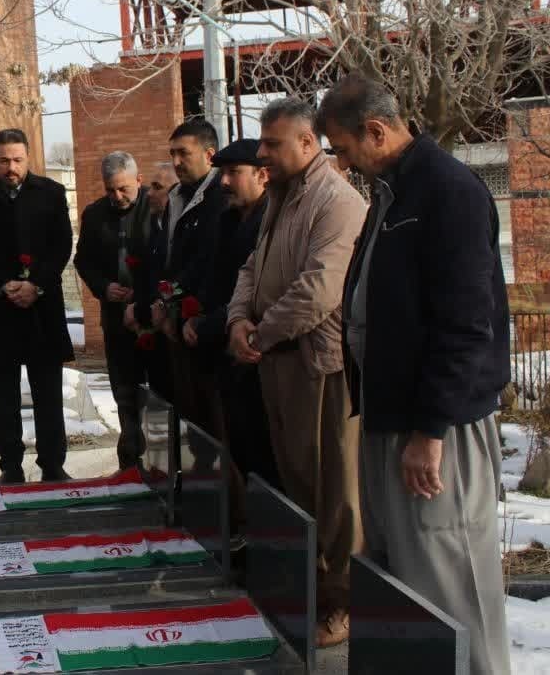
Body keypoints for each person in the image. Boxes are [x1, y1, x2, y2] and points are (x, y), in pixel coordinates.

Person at [321, 75, 511, 675]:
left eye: (344, 148)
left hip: (436, 431)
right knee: (403, 584)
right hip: (391, 419)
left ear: (376, 131)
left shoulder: (448, 191)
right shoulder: (391, 192)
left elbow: (466, 324)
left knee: (452, 582)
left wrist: (430, 432)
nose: (342, 163)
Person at [227, 97, 366, 647]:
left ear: (308, 143)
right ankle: (311, 592)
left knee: (335, 494)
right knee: (299, 488)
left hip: (318, 368)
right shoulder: (281, 197)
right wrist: (238, 319)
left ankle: (342, 604)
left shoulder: (337, 201)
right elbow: (251, 269)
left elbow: (319, 291)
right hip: (276, 363)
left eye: (272, 143)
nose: (262, 153)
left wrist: (258, 333)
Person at [0, 129, 74, 484]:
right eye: (4, 160)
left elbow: (61, 246)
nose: (11, 167)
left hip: (42, 308)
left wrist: (36, 284)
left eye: (17, 160)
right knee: (2, 396)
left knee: (48, 393)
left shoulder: (52, 193)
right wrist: (2, 284)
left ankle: (52, 465)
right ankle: (10, 466)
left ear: (28, 158)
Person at [184, 140, 280, 505]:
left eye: (234, 173)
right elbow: (216, 279)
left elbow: (258, 293)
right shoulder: (227, 220)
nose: (224, 182)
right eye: (222, 173)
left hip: (254, 353)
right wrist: (196, 318)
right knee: (239, 447)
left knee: (263, 455)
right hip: (221, 349)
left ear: (262, 175)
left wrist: (210, 324)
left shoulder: (269, 219)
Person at [155, 119, 228, 466]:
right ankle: (201, 474)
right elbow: (168, 257)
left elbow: (210, 260)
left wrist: (185, 305)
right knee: (192, 409)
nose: (176, 162)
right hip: (178, 318)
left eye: (184, 153)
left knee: (216, 413)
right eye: (172, 154)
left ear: (209, 154)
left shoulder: (220, 197)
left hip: (208, 321)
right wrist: (164, 301)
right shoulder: (176, 197)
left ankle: (224, 485)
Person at [74, 151, 150, 471]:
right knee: (124, 391)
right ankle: (130, 460)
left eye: (123, 189)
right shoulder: (95, 214)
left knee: (156, 392)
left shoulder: (156, 207)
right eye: (110, 190)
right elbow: (83, 261)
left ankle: (160, 460)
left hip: (152, 317)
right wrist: (104, 287)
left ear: (139, 180)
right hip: (116, 318)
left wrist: (142, 294)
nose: (116, 197)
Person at [126, 163, 179, 405]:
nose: (149, 193)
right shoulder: (155, 228)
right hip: (153, 329)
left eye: (157, 187)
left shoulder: (176, 231)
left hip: (173, 330)